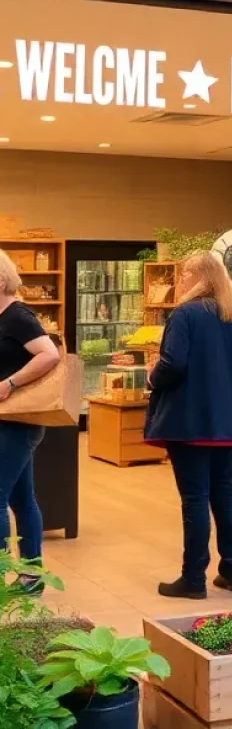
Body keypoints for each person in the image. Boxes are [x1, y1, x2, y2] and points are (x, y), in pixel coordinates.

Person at [145, 251, 232, 600]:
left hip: (190, 419)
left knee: (194, 498)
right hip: (228, 421)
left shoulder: (186, 315)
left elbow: (173, 363)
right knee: (223, 493)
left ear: (196, 276)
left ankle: (193, 577)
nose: (180, 283)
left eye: (182, 276)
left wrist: (152, 376)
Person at [0, 249, 59, 583]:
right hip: (8, 420)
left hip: (18, 421)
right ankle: (31, 577)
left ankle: (4, 579)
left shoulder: (18, 316)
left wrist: (10, 383)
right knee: (22, 498)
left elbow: (49, 354)